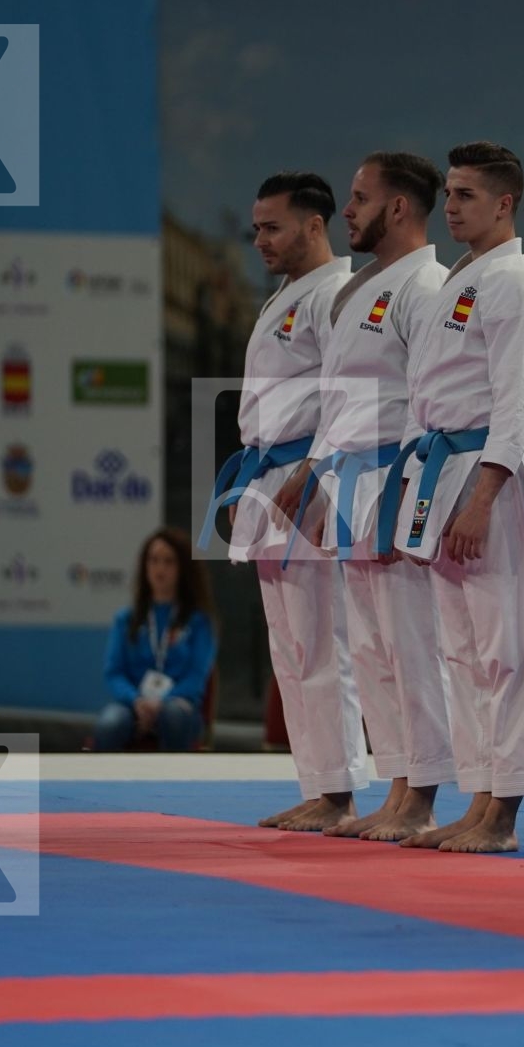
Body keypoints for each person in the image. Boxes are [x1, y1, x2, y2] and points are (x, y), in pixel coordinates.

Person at [383, 141, 524, 853]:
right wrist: (411, 496)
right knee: (463, 653)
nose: (452, 207)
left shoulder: (521, 280)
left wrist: (481, 494)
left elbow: (520, 397)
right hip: (439, 474)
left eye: (467, 194)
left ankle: (505, 812)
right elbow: (423, 400)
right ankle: (477, 800)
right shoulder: (456, 285)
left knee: (507, 651)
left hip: (487, 481)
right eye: (450, 194)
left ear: (504, 203)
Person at [295, 152, 458, 842]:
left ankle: (421, 794)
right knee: (371, 649)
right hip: (349, 476)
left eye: (360, 198)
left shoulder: (429, 286)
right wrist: (313, 476)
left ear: (398, 208)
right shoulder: (360, 289)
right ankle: (395, 787)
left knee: (412, 644)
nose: (348, 211)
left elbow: (432, 399)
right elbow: (336, 402)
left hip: (398, 476)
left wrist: (411, 502)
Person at [201, 171, 368, 833]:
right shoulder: (285, 296)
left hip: (309, 477)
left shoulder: (339, 295)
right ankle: (319, 784)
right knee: (291, 647)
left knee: (325, 641)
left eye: (272, 227)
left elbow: (348, 395)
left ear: (314, 225)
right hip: (268, 474)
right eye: (256, 228)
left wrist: (317, 473)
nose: (259, 240)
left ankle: (342, 791)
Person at [93, 528, 217, 752]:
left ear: (182, 569)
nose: (160, 568)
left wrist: (162, 703)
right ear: (144, 567)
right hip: (134, 705)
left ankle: (173, 785)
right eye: (154, 560)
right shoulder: (126, 619)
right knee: (109, 724)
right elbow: (114, 672)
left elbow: (197, 676)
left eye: (169, 562)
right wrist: (137, 701)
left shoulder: (199, 622)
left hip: (178, 703)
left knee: (173, 716)